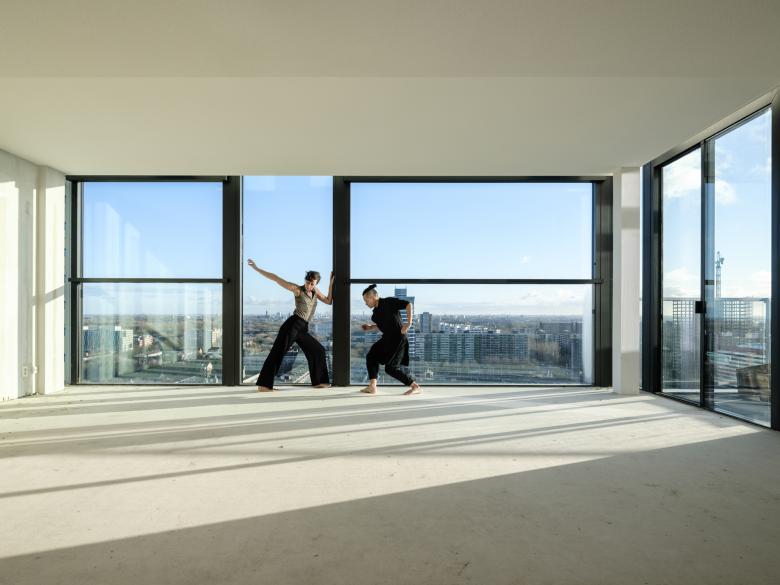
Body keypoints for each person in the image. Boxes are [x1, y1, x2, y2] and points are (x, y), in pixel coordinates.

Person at [247, 259, 334, 391]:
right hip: (292, 325)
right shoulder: (298, 290)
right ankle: (264, 385)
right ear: (305, 280)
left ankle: (319, 382)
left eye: (312, 284)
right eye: (307, 282)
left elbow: (328, 301)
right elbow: (276, 278)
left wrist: (331, 283)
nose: (309, 285)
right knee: (277, 353)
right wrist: (256, 268)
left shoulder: (315, 292)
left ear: (316, 284)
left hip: (303, 328)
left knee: (318, 350)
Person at [359, 284, 422, 395]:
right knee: (371, 356)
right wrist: (371, 327)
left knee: (391, 368)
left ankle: (415, 386)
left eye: (366, 300)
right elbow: (386, 323)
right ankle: (372, 386)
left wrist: (408, 323)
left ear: (373, 296)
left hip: (398, 338)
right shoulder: (375, 314)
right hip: (387, 338)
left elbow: (408, 304)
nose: (366, 303)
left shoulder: (388, 302)